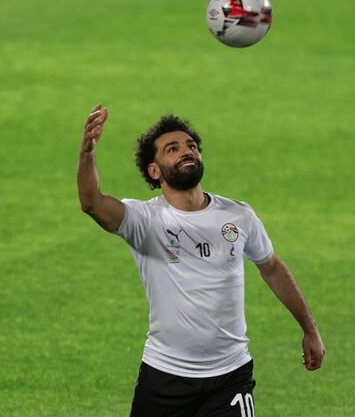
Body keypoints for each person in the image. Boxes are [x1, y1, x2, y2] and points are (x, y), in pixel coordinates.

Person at [77, 104, 325, 416]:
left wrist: (310, 328)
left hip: (230, 376)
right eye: (172, 148)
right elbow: (91, 202)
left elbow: (272, 267)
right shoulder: (145, 220)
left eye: (191, 146)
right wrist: (87, 152)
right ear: (154, 171)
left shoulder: (239, 216)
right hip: (164, 376)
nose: (186, 151)